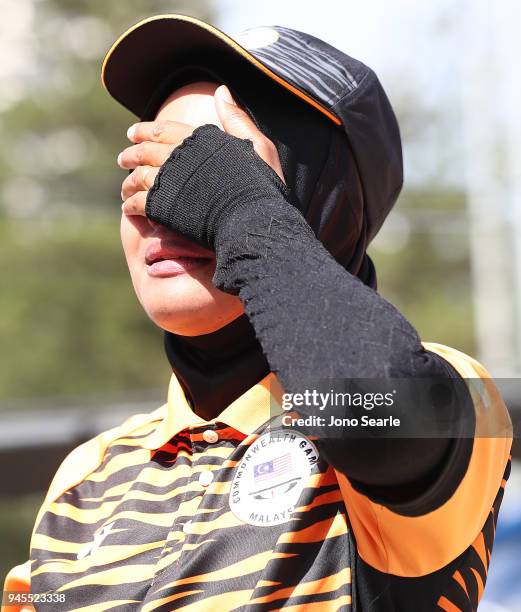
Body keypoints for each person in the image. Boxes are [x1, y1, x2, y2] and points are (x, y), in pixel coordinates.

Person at [3, 14, 512, 612]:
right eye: (147, 172)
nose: (162, 209)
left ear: (331, 207)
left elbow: (377, 423)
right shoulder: (90, 474)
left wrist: (243, 211)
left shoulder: (450, 397)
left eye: (207, 172)